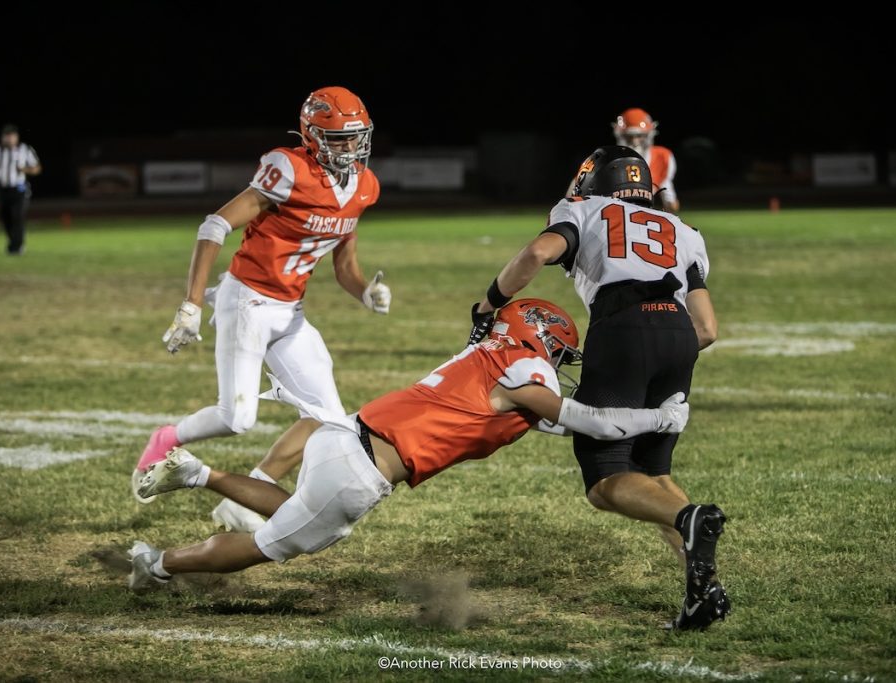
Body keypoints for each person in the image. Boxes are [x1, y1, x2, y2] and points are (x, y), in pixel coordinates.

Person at [127, 299, 691, 599]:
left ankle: (199, 473)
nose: (559, 366)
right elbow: (586, 421)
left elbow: (543, 422)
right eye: (559, 353)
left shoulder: (485, 361)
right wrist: (659, 416)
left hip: (344, 436)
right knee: (265, 546)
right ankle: (156, 564)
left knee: (297, 509)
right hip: (362, 470)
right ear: (543, 340)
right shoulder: (526, 371)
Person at [470, 145, 727, 630]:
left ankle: (690, 518)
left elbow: (537, 253)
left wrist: (487, 305)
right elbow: (708, 328)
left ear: (592, 184)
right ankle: (705, 589)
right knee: (652, 470)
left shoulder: (583, 210)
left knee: (606, 481)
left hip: (621, 327)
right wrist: (664, 344)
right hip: (679, 334)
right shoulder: (684, 231)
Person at [132, 86, 392, 533]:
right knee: (237, 419)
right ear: (312, 135)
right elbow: (214, 224)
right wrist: (192, 304)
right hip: (247, 300)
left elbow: (343, 261)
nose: (348, 146)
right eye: (337, 137)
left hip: (291, 311)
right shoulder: (288, 167)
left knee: (328, 419)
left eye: (355, 136)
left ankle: (250, 493)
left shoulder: (364, 186)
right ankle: (167, 440)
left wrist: (365, 292)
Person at [0, 124, 41, 255]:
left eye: (11, 136)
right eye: (6, 136)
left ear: (16, 137)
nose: (9, 139)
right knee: (5, 218)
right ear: (2, 137)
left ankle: (16, 247)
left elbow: (37, 168)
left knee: (18, 216)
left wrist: (24, 169)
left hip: (19, 188)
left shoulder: (25, 149)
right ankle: (14, 241)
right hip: (2, 189)